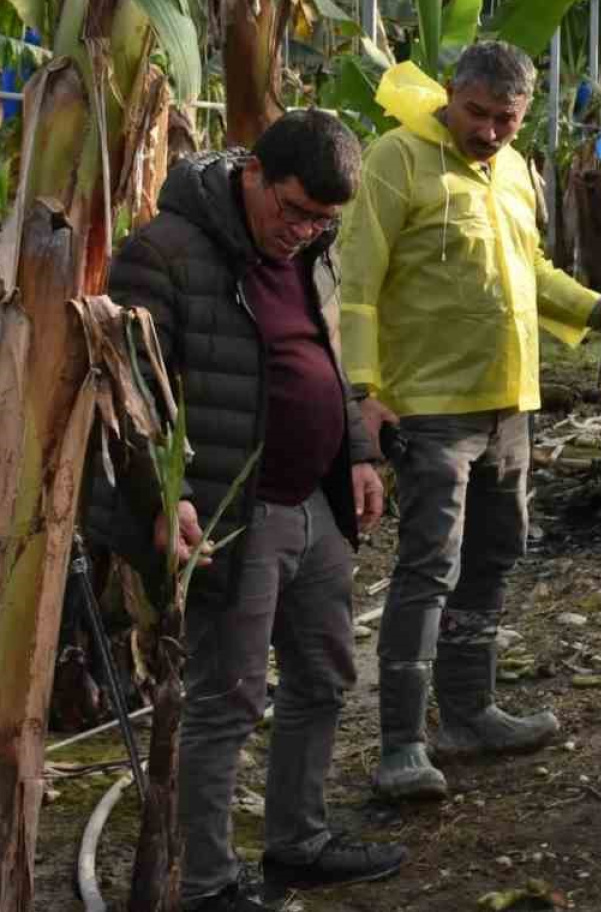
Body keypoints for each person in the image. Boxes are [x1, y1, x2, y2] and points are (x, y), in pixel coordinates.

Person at [103, 111, 405, 912]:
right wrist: (164, 501)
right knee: (227, 698)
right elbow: (127, 398)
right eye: (294, 210)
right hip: (233, 511)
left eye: (322, 221)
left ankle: (297, 840)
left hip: (314, 500)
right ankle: (205, 882)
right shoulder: (162, 253)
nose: (303, 231)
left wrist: (360, 456)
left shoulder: (308, 251)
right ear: (255, 175)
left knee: (323, 675)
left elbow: (323, 356)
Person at [340, 43, 601, 802]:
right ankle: (401, 745)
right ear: (452, 95)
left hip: (510, 400)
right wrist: (361, 389)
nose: (491, 132)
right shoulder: (396, 159)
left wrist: (597, 310)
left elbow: (528, 268)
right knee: (427, 566)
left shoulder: (513, 168)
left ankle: (469, 713)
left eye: (507, 119)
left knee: (494, 555)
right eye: (478, 114)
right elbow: (356, 283)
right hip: (431, 407)